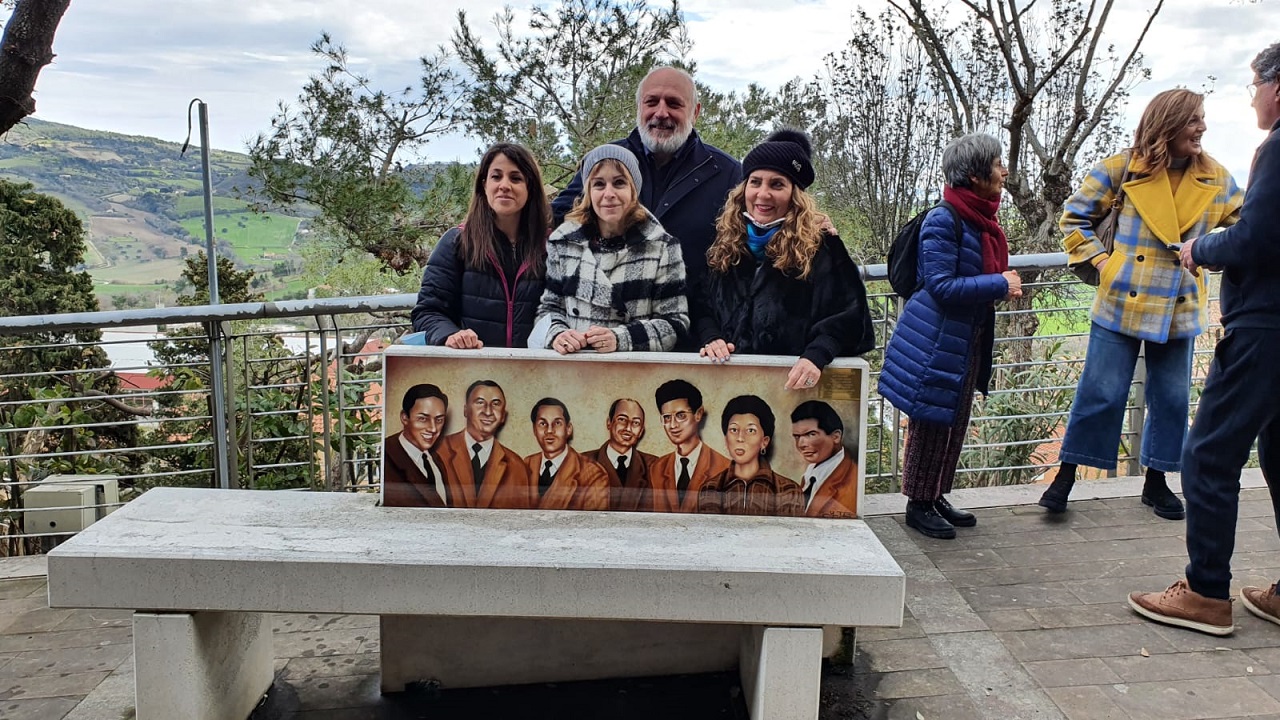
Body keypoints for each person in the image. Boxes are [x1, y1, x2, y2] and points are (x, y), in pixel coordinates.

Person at [1129, 42, 1280, 637]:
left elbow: (1255, 240)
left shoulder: (1275, 150)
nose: (1252, 99)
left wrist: (1201, 248)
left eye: (1254, 87)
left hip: (1265, 326)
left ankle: (1205, 591)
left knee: (1208, 454)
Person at [1039, 89, 1245, 519]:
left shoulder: (1217, 179)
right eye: (1193, 120)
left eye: (1202, 119)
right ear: (1167, 124)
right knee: (1100, 393)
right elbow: (1073, 217)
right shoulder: (1121, 168)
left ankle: (1157, 481)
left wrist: (1210, 249)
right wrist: (1103, 263)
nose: (1202, 128)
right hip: (1120, 300)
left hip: (1180, 304)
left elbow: (1247, 230)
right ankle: (1067, 475)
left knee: (1170, 398)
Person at [878, 132, 1022, 540]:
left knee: (956, 420)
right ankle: (917, 503)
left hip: (966, 337)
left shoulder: (980, 218)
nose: (1003, 171)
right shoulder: (945, 219)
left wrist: (995, 285)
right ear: (975, 175)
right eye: (997, 164)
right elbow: (940, 285)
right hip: (937, 339)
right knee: (931, 420)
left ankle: (936, 493)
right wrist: (998, 284)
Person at [692, 129, 874, 391]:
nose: (763, 194)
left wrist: (817, 355)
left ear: (794, 195)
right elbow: (701, 304)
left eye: (777, 184)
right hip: (728, 386)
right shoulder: (724, 241)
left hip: (792, 389)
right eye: (755, 182)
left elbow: (850, 318)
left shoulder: (822, 246)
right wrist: (711, 336)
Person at [551, 66, 741, 292]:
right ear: (638, 108)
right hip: (607, 316)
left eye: (673, 103)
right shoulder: (603, 161)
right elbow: (557, 219)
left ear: (695, 112)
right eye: (651, 102)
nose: (661, 113)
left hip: (691, 319)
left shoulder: (727, 173)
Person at [537, 145, 688, 354]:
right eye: (599, 184)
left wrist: (621, 338)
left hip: (632, 376)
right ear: (588, 191)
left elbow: (675, 324)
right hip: (574, 372)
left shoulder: (662, 247)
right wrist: (558, 334)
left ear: (634, 190)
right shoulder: (562, 243)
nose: (609, 194)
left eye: (619, 183)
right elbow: (549, 309)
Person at [412, 143, 551, 349]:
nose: (505, 185)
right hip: (475, 373)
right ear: (484, 185)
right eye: (496, 176)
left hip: (536, 372)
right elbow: (427, 312)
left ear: (529, 188)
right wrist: (451, 334)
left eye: (516, 178)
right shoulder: (457, 243)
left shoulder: (550, 246)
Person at [696, 395, 801, 516]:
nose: (740, 438)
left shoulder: (789, 491)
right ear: (726, 440)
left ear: (764, 441)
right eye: (734, 430)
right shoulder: (711, 488)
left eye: (750, 431)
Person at [437, 380, 534, 509]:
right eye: (480, 403)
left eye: (496, 404)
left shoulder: (516, 466)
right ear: (466, 410)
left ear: (503, 416)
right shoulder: (439, 451)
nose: (488, 411)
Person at [644, 379, 730, 513]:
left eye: (681, 415)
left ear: (698, 414)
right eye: (667, 417)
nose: (673, 425)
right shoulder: (657, 468)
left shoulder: (724, 468)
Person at [523, 398, 610, 512]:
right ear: (534, 429)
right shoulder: (525, 465)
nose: (549, 430)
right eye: (542, 423)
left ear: (568, 429)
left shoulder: (593, 474)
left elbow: (594, 526)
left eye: (557, 423)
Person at [383, 384, 453, 508]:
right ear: (404, 418)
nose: (433, 428)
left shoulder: (435, 459)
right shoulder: (387, 456)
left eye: (439, 420)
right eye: (423, 419)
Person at [791, 400, 859, 519]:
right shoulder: (810, 473)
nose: (801, 444)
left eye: (811, 434)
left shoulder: (852, 481)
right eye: (797, 437)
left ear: (836, 437)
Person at [585, 398, 655, 512]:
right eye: (622, 419)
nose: (628, 428)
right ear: (609, 422)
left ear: (641, 431)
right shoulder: (582, 463)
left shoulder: (654, 466)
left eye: (636, 423)